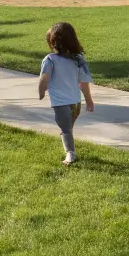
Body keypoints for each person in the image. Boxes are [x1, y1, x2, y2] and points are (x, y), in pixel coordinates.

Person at [37, 21, 94, 166]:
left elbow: (44, 78)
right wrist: (89, 101)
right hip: (76, 103)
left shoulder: (50, 60)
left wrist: (41, 91)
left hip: (61, 104)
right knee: (68, 128)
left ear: (53, 42)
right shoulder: (78, 60)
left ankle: (70, 154)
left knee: (66, 129)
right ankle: (69, 145)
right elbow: (83, 83)